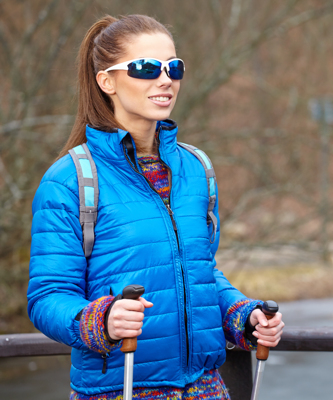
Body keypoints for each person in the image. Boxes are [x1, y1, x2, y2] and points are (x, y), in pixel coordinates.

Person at [27, 14, 284, 400]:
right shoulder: (70, 180)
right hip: (119, 389)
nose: (165, 79)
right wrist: (102, 319)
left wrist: (242, 316)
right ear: (106, 81)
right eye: (146, 68)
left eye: (173, 68)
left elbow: (197, 273)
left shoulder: (197, 169)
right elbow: (47, 297)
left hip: (206, 388)